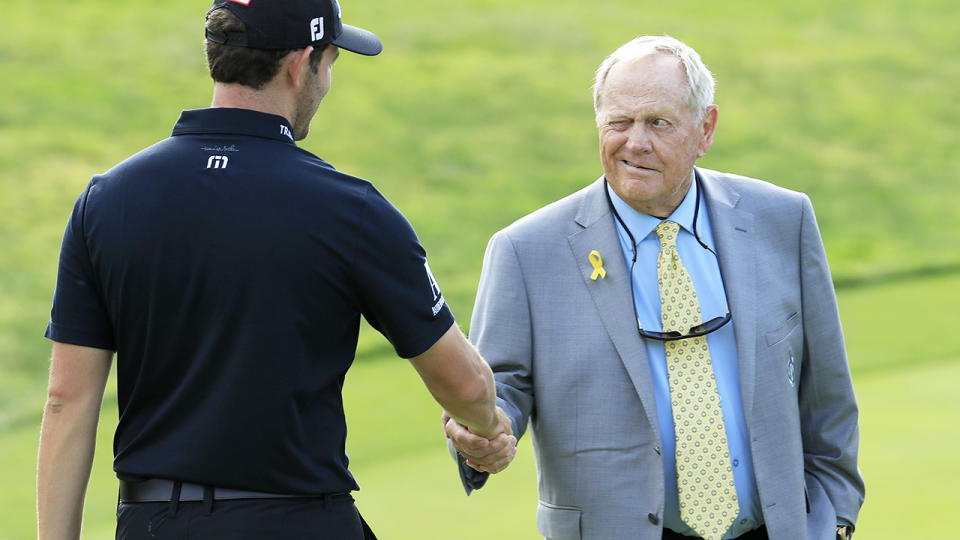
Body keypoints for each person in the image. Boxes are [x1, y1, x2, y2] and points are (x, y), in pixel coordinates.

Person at [36, 1, 514, 538]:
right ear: (299, 63)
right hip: (298, 521)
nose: (326, 82)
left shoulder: (104, 201)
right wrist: (490, 428)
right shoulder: (349, 209)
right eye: (329, 63)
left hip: (152, 523)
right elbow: (466, 386)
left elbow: (65, 402)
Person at [444, 35, 864, 540]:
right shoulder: (525, 251)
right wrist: (482, 434)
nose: (634, 142)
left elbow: (828, 395)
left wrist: (835, 519)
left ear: (704, 129)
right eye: (618, 122)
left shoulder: (782, 219)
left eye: (657, 123)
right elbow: (498, 392)